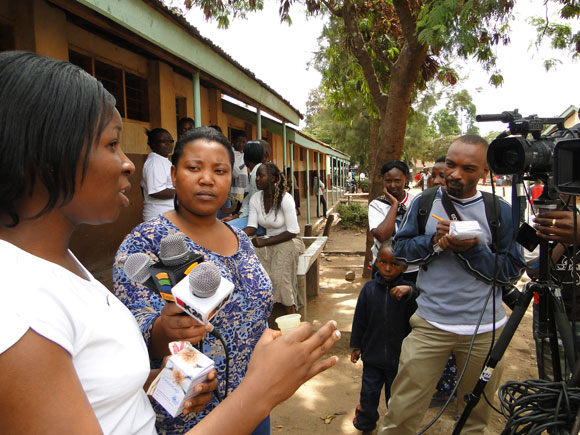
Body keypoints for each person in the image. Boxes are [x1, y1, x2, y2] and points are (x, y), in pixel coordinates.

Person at [0, 51, 341, 435]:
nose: (129, 163)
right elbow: (143, 336)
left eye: (221, 170)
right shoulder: (18, 303)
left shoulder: (63, 268)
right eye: (113, 144)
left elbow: (100, 389)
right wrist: (260, 390)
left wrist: (157, 383)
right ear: (48, 152)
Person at [114, 127, 274, 434]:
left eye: (219, 170)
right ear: (174, 176)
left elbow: (257, 311)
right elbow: (133, 333)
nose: (207, 179)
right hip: (192, 416)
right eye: (194, 168)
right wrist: (164, 330)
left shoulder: (239, 238)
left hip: (253, 404)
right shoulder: (145, 242)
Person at [378, 135, 525, 434]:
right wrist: (433, 241)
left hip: (484, 331)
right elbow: (400, 250)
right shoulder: (425, 202)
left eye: (468, 168)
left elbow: (511, 271)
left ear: (485, 172)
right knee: (401, 413)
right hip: (430, 324)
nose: (455, 174)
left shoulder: (501, 211)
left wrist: (473, 250)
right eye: (450, 164)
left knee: (474, 416)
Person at [350, 241, 417, 434]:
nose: (387, 268)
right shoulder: (369, 290)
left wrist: (411, 293)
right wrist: (356, 345)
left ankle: (395, 428)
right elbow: (359, 320)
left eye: (394, 264)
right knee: (368, 396)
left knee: (395, 399)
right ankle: (365, 425)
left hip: (399, 360)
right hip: (372, 358)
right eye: (383, 262)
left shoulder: (409, 290)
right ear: (376, 262)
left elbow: (419, 313)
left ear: (404, 266)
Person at [528, 197, 580, 380]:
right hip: (551, 313)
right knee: (552, 382)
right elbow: (532, 272)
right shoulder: (540, 221)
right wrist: (562, 241)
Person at [244, 162, 305, 314]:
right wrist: (235, 235)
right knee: (253, 270)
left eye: (261, 176)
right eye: (256, 176)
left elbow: (293, 231)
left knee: (279, 277)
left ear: (273, 178)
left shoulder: (285, 198)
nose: (257, 179)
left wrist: (264, 241)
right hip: (269, 240)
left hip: (289, 240)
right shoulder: (255, 199)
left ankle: (291, 316)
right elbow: (252, 227)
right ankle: (261, 315)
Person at [368, 161, 417, 282]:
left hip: (412, 267)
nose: (393, 185)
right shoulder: (377, 205)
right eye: (388, 181)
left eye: (397, 180)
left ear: (406, 179)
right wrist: (395, 204)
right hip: (384, 267)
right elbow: (382, 235)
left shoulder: (416, 201)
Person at [141, 128, 175, 221]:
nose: (169, 143)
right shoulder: (155, 162)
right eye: (164, 141)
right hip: (159, 217)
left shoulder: (163, 160)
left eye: (170, 140)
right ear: (153, 144)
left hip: (166, 216)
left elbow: (142, 187)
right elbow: (156, 191)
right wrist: (182, 192)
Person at [230, 132, 249, 204]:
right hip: (235, 188)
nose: (240, 144)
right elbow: (236, 172)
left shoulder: (244, 154)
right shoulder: (232, 154)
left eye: (243, 142)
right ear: (233, 141)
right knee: (235, 205)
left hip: (243, 188)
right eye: (238, 141)